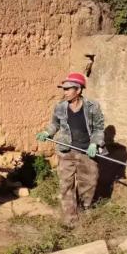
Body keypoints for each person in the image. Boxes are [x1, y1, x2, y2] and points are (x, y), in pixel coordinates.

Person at [36, 72, 105, 225]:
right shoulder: (60, 107)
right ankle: (70, 220)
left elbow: (99, 128)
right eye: (64, 89)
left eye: (68, 89)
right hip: (66, 150)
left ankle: (85, 208)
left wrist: (95, 143)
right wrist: (47, 132)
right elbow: (55, 124)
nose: (64, 92)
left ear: (78, 90)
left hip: (87, 152)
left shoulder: (93, 107)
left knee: (89, 183)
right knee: (66, 184)